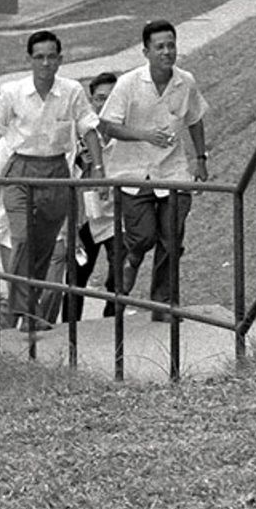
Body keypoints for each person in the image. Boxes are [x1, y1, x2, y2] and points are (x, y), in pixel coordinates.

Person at [0, 30, 105, 336]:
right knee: (22, 239)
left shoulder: (71, 91)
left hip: (56, 172)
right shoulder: (12, 92)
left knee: (43, 248)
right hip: (20, 172)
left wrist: (98, 168)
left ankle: (27, 311)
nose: (45, 63)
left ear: (60, 59)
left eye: (51, 57)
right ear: (29, 60)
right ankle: (19, 307)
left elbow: (89, 128)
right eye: (39, 57)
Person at [100, 22, 209, 314]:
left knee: (172, 239)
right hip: (132, 173)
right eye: (160, 47)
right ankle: (131, 258)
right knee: (144, 236)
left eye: (171, 45)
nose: (167, 52)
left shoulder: (185, 81)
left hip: (172, 171)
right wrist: (143, 134)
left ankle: (163, 304)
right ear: (146, 51)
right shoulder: (129, 83)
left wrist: (201, 158)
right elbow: (108, 125)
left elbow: (195, 119)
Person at [66, 72, 121, 323]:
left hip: (115, 215)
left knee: (118, 273)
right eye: (100, 98)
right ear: (91, 100)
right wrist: (79, 162)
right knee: (76, 276)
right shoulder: (78, 134)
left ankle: (113, 322)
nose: (105, 103)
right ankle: (69, 328)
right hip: (85, 215)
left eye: (111, 97)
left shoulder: (126, 132)